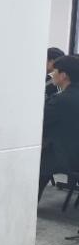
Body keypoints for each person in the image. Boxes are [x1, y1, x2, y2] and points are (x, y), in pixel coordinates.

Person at [40, 55, 79, 199]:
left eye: (54, 71)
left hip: (66, 156)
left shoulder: (61, 100)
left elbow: (40, 122)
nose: (52, 74)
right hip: (74, 153)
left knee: (36, 159)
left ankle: (27, 203)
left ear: (63, 76)